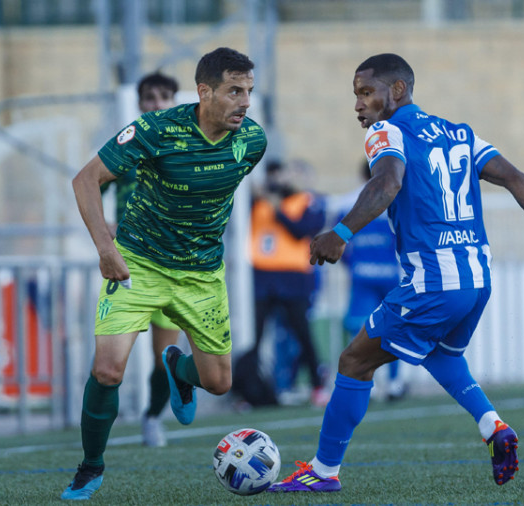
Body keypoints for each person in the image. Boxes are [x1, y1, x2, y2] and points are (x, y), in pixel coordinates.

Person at [268, 53, 524, 493]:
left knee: (353, 362)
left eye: (365, 93)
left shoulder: (387, 130)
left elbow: (388, 182)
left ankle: (323, 471)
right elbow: (516, 178)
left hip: (433, 281)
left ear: (396, 91)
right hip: (477, 280)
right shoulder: (460, 133)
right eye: (355, 96)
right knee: (442, 352)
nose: (359, 106)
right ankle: (492, 425)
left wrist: (340, 233)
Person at [62, 47, 266, 500]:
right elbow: (85, 179)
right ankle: (90, 466)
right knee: (108, 370)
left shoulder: (252, 141)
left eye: (249, 91)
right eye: (235, 91)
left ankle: (177, 367)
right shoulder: (156, 129)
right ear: (204, 91)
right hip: (138, 266)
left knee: (219, 383)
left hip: (201, 277)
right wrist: (105, 247)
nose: (245, 101)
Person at [101, 70, 186, 448]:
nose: (156, 104)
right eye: (149, 98)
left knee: (165, 356)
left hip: (170, 265)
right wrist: (106, 237)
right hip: (129, 266)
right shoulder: (125, 146)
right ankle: (99, 433)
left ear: (174, 102)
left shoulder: (184, 147)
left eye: (164, 97)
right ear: (138, 104)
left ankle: (152, 416)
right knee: (110, 360)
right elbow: (92, 185)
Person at [248, 159, 328, 407]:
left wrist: (278, 209)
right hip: (261, 275)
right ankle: (250, 390)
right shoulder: (259, 202)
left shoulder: (307, 202)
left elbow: (301, 230)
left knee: (302, 334)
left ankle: (317, 385)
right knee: (255, 335)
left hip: (293, 277)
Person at [338, 161, 404, 401]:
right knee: (393, 326)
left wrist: (352, 265)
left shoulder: (347, 202)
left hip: (362, 274)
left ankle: (366, 380)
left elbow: (340, 244)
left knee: (360, 326)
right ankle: (395, 382)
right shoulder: (395, 200)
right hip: (389, 274)